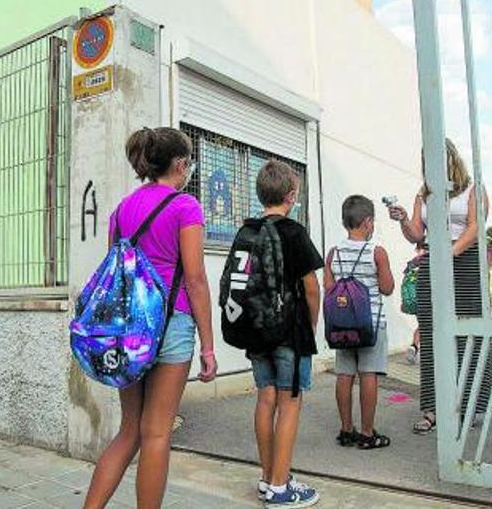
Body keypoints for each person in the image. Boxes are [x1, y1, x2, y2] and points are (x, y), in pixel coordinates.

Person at [84, 127, 217, 509]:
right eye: (188, 162)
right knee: (156, 434)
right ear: (179, 164)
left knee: (129, 431)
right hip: (171, 325)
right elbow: (194, 278)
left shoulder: (120, 210)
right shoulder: (185, 207)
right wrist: (208, 346)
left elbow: (116, 275)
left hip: (127, 330)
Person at [388, 138, 492, 435]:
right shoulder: (424, 194)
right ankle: (432, 410)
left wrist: (451, 252)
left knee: (468, 334)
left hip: (464, 261)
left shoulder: (474, 188)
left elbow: (475, 226)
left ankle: (470, 405)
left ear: (451, 159)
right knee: (432, 336)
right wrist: (403, 220)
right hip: (433, 261)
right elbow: (415, 235)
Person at [248, 160, 323, 508]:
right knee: (290, 403)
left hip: (257, 331)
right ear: (291, 195)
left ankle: (268, 478)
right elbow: (312, 287)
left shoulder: (247, 231)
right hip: (289, 333)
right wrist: (311, 325)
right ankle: (281, 487)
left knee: (265, 399)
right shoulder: (294, 232)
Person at [324, 195, 394, 450]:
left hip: (342, 325)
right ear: (368, 222)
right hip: (371, 325)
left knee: (344, 375)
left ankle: (346, 429)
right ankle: (366, 433)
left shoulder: (333, 253)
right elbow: (387, 288)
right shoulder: (377, 252)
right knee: (368, 375)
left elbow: (329, 289)